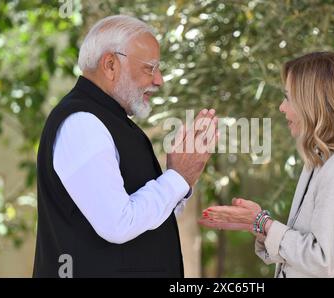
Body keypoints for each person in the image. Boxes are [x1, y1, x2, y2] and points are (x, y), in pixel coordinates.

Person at [33, 15, 217, 277]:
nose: (159, 80)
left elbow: (139, 215)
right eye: (149, 68)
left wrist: (181, 180)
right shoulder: (82, 123)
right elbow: (118, 223)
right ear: (110, 65)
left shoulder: (108, 120)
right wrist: (177, 178)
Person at [199, 51, 334, 278]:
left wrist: (264, 223)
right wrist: (258, 226)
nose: (281, 107)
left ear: (313, 103)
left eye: (288, 98)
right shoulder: (323, 162)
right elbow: (304, 256)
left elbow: (323, 262)